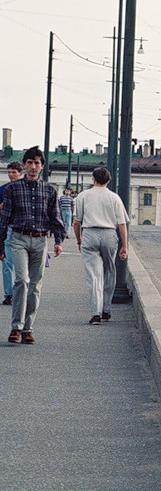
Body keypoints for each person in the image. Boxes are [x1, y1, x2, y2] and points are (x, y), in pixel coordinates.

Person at [0, 147, 65, 345]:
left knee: (35, 285)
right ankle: (16, 327)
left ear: (42, 166)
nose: (33, 167)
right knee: (21, 281)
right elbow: (4, 217)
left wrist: (58, 241)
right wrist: (0, 244)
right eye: (30, 163)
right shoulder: (13, 189)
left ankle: (28, 328)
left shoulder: (49, 190)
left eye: (37, 163)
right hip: (18, 238)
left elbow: (55, 216)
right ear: (24, 165)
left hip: (40, 240)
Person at [72, 167, 128, 324]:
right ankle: (106, 309)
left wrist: (79, 240)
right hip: (109, 234)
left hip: (90, 234)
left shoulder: (83, 196)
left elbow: (76, 222)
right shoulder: (114, 197)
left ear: (93, 179)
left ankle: (95, 313)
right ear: (108, 181)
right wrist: (124, 246)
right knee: (109, 271)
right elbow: (122, 224)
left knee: (94, 275)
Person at [0, 161, 24, 305]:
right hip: (8, 227)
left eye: (14, 172)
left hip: (23, 229)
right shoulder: (3, 189)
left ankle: (22, 292)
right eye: (9, 172)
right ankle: (9, 293)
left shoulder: (25, 187)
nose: (11, 175)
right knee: (7, 262)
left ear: (20, 173)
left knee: (22, 264)